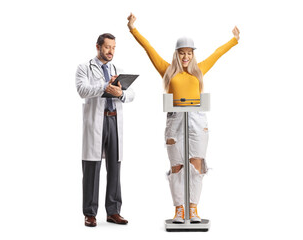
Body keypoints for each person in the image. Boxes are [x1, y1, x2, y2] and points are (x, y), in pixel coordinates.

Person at [127, 13, 240, 223]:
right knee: (177, 165)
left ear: (193, 55)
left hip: (197, 120)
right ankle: (179, 209)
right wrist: (133, 28)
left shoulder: (199, 71)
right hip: (175, 120)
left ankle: (193, 209)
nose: (186, 57)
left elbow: (217, 53)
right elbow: (149, 48)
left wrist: (234, 40)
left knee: (196, 164)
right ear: (176, 55)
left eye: (189, 53)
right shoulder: (168, 71)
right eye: (182, 53)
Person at [76, 33, 135, 227]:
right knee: (92, 168)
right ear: (98, 47)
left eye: (113, 47)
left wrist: (121, 92)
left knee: (114, 167)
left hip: (114, 121)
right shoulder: (84, 68)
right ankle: (90, 213)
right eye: (107, 47)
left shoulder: (117, 69)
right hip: (96, 121)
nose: (111, 51)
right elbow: (82, 89)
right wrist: (105, 86)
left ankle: (113, 211)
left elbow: (131, 93)